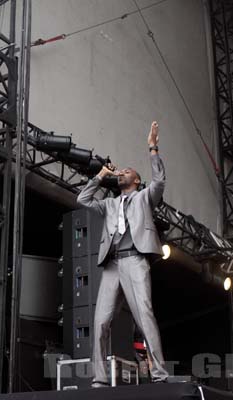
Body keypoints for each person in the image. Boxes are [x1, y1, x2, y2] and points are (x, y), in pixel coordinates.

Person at [76, 121, 169, 387]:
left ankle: (160, 374)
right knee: (100, 321)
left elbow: (160, 180)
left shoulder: (144, 197)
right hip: (112, 265)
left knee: (144, 315)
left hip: (135, 260)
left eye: (127, 171)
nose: (122, 173)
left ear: (136, 180)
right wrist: (100, 176)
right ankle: (100, 378)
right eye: (121, 172)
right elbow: (82, 200)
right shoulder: (109, 203)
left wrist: (153, 148)